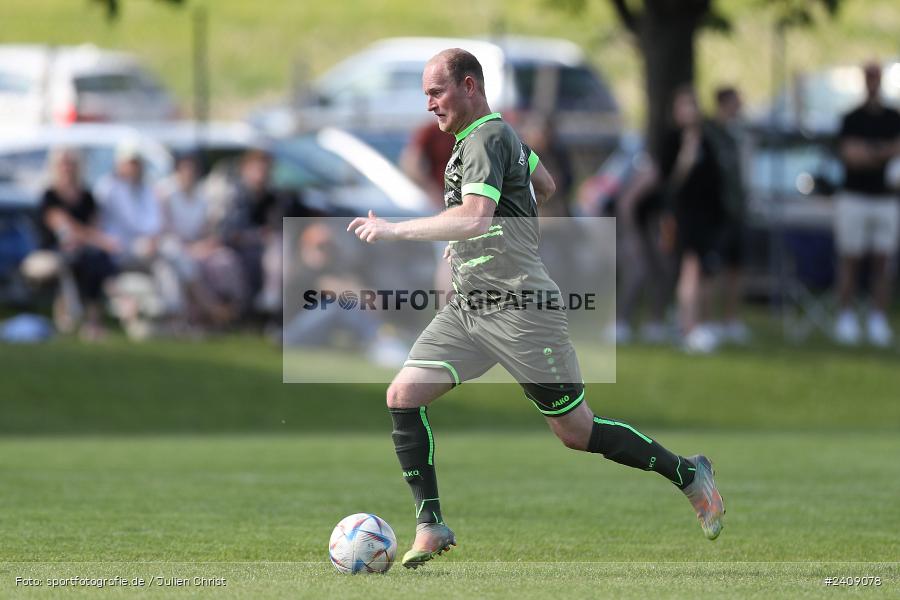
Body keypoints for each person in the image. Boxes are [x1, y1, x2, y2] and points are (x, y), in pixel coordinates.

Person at [347, 49, 725, 569]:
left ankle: (689, 473)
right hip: (471, 307)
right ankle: (430, 523)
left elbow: (476, 218)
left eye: (436, 92)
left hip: (521, 309)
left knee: (578, 432)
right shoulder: (494, 139)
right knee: (403, 394)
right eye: (426, 95)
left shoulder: (486, 137)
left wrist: (396, 229)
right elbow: (544, 185)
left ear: (470, 86)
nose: (429, 104)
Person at [832, 62, 900, 347]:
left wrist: (869, 152)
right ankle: (846, 317)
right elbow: (851, 155)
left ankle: (877, 319)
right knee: (850, 258)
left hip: (884, 199)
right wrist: (881, 152)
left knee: (882, 262)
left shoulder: (893, 117)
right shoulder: (852, 118)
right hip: (855, 197)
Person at [659, 86, 726, 353]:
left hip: (705, 215)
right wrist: (686, 155)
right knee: (689, 269)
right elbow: (670, 183)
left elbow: (714, 180)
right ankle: (687, 327)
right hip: (681, 214)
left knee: (706, 272)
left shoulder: (707, 141)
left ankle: (702, 323)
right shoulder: (671, 141)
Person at [28, 147, 118, 340]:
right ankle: (71, 318)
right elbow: (64, 226)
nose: (67, 168)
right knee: (76, 260)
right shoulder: (50, 195)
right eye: (63, 163)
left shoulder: (87, 197)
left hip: (83, 250)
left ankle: (93, 321)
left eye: (71, 163)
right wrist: (98, 240)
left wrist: (95, 240)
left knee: (96, 260)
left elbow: (94, 226)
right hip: (53, 250)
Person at [704, 86, 751, 345]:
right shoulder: (710, 134)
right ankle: (708, 320)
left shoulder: (736, 136)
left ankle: (731, 319)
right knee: (712, 268)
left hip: (736, 211)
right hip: (716, 212)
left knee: (736, 266)